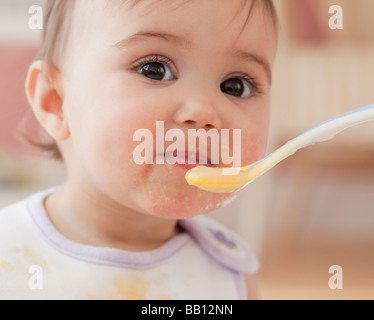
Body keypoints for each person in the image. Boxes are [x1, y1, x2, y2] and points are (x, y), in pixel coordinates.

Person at [0, 0, 278, 300]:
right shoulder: (11, 255)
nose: (203, 110)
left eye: (235, 86)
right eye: (154, 70)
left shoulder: (229, 278)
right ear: (55, 101)